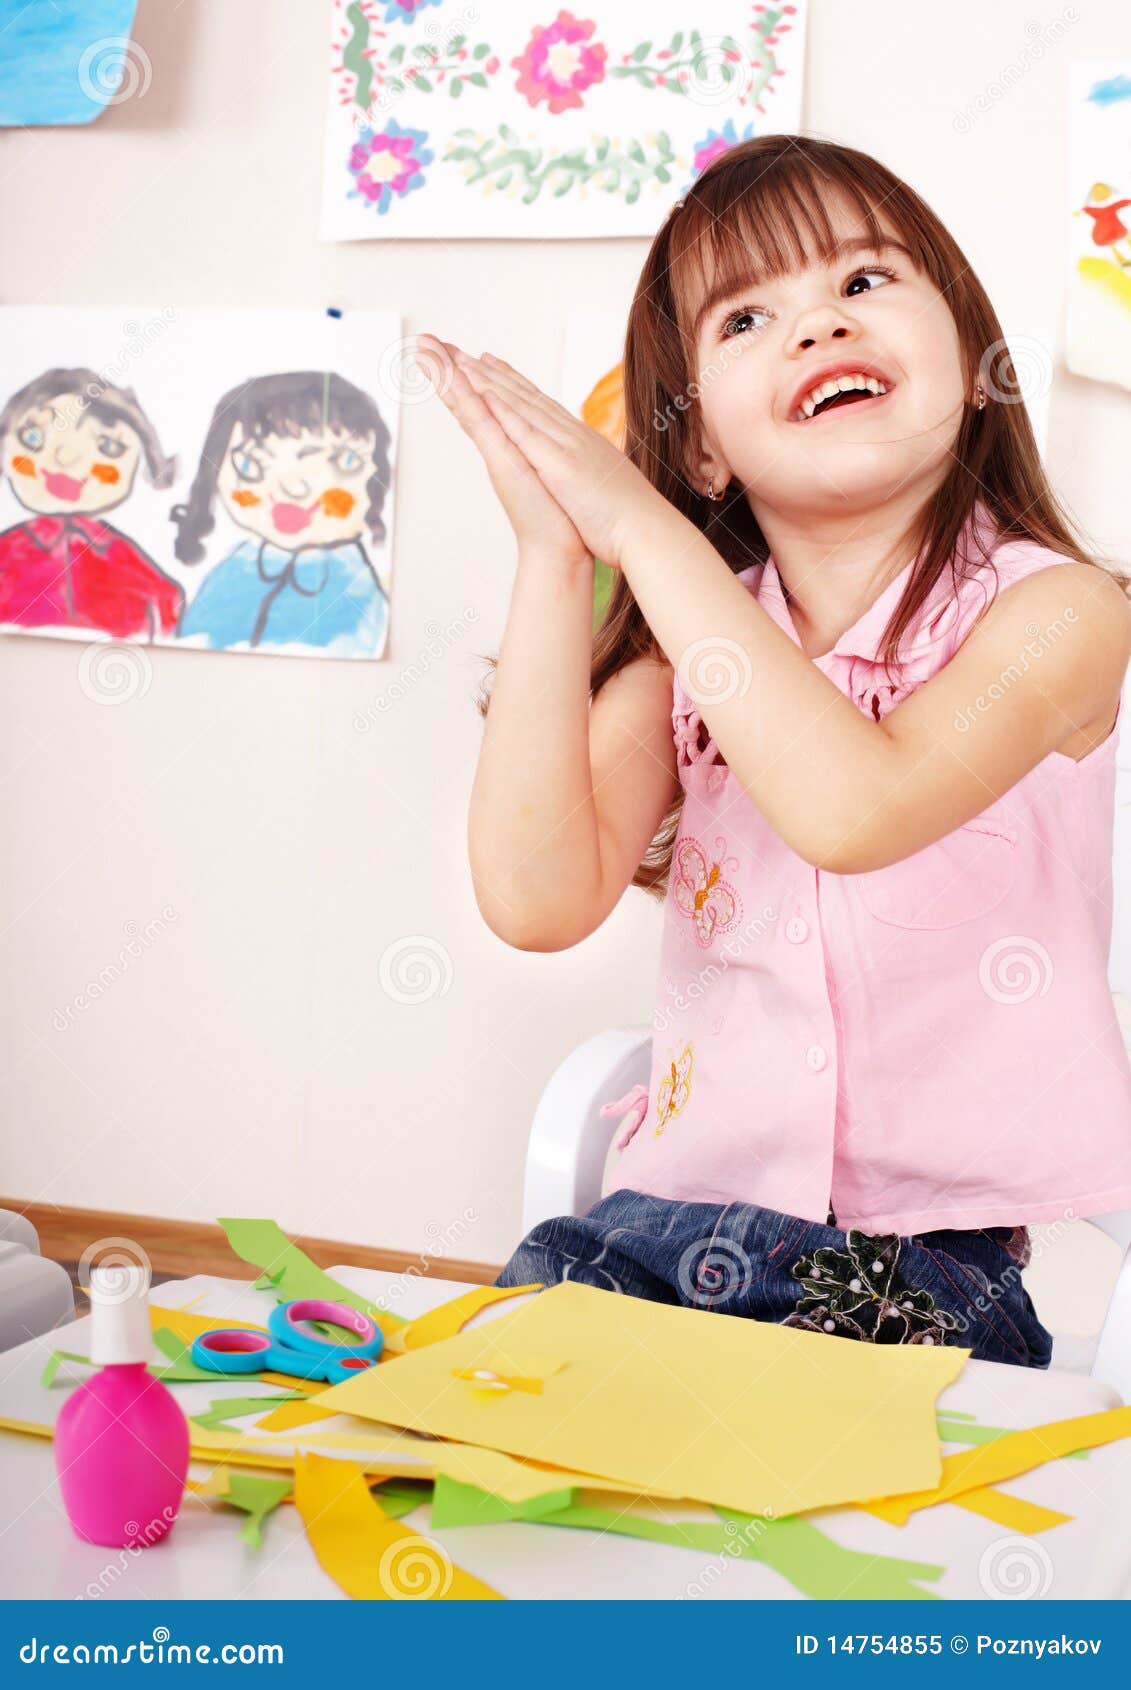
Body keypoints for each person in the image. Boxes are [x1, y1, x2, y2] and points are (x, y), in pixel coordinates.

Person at [417, 135, 1131, 1368]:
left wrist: (640, 522)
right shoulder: (690, 649)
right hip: (653, 1224)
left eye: (862, 284)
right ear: (701, 447)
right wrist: (558, 554)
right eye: (747, 316)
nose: (815, 326)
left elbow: (854, 809)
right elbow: (536, 898)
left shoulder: (1062, 615)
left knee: (814, 1482)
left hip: (913, 1270)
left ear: (970, 364)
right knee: (506, 1402)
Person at [173, 371, 391, 656]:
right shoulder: (233, 570)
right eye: (251, 466)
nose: (292, 489)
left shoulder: (355, 589)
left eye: (339, 462)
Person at [0, 368, 182, 639]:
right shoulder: (8, 554)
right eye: (34, 438)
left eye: (108, 446)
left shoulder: (134, 568)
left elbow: (167, 611)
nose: (65, 459)